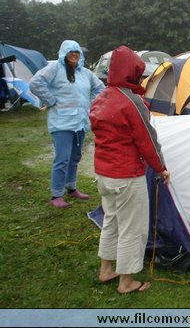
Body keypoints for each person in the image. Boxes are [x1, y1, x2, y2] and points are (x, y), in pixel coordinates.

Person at [89, 45, 170, 295]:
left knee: (111, 221)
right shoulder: (132, 101)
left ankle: (106, 269)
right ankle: (126, 282)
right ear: (133, 72)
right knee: (132, 228)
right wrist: (161, 169)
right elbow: (147, 140)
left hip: (104, 174)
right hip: (126, 175)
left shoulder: (102, 97)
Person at [29, 40, 104, 208]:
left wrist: (91, 104)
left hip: (80, 122)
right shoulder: (55, 68)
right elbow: (35, 83)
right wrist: (51, 100)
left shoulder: (85, 73)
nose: (74, 54)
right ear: (64, 53)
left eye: (77, 51)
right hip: (61, 122)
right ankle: (56, 194)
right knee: (62, 158)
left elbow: (100, 88)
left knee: (75, 157)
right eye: (71, 51)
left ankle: (71, 188)